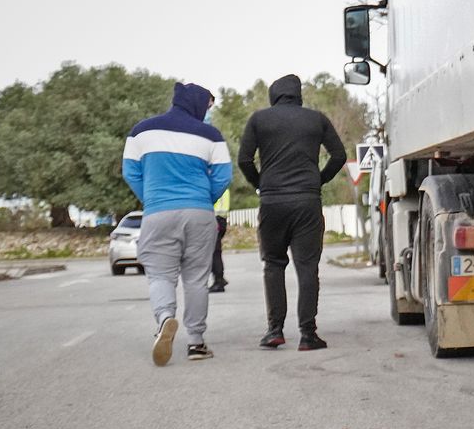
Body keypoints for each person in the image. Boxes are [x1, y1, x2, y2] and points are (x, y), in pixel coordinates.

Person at [122, 82, 231, 365]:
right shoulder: (211, 135)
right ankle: (196, 342)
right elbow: (223, 176)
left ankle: (165, 319)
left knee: (160, 275)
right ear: (197, 105)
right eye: (207, 106)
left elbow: (130, 171)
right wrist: (203, 199)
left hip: (158, 213)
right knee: (195, 279)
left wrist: (152, 198)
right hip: (199, 214)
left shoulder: (141, 130)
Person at [237, 74, 347, 350]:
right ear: (298, 95)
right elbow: (339, 156)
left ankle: (275, 330)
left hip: (273, 203)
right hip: (307, 203)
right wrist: (317, 180)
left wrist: (261, 183)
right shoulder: (316, 119)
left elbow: (244, 160)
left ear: (274, 95)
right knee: (307, 267)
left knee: (273, 265)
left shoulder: (259, 119)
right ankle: (308, 335)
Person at [210, 187, 230, 292]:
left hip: (214, 218)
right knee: (215, 251)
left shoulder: (216, 185)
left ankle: (219, 281)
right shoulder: (223, 185)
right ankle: (220, 278)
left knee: (214, 252)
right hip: (221, 218)